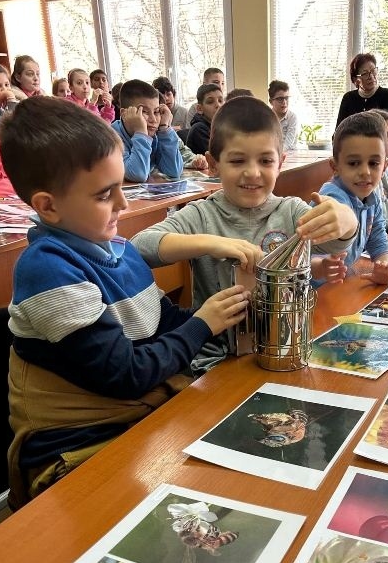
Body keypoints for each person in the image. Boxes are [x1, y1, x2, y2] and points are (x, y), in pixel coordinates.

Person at [0, 96, 250, 510]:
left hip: (140, 423)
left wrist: (232, 318)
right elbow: (125, 375)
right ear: (48, 206)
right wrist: (204, 323)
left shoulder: (118, 249)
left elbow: (164, 321)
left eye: (121, 186)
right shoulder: (46, 270)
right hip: (78, 450)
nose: (124, 204)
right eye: (104, 194)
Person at [131, 95, 358, 375]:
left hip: (287, 350)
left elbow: (340, 239)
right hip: (215, 361)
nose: (252, 173)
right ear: (214, 164)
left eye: (265, 160)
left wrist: (347, 220)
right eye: (237, 161)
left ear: (280, 162)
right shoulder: (202, 215)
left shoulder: (291, 211)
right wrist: (212, 243)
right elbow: (139, 247)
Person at [316, 111, 388, 285]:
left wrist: (384, 266)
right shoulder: (332, 198)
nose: (365, 172)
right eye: (353, 163)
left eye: (374, 163)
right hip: (316, 293)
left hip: (342, 286)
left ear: (384, 167)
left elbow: (378, 239)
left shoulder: (372, 196)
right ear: (334, 166)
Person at [112, 78, 183, 181]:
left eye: (156, 111)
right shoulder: (112, 137)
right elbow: (137, 174)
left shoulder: (155, 134)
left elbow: (174, 171)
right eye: (144, 111)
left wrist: (164, 129)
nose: (153, 119)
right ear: (124, 114)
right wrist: (141, 133)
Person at [335, 53, 388, 130]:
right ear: (355, 80)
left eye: (373, 70)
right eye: (365, 73)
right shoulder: (348, 98)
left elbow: (387, 128)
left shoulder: (387, 95)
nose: (371, 76)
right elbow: (339, 129)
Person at [186, 83, 224, 155]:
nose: (218, 105)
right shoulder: (198, 129)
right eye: (210, 102)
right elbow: (218, 157)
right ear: (200, 109)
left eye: (220, 100)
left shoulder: (221, 126)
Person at [268, 80, 298, 152]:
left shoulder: (292, 117)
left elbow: (288, 143)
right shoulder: (266, 117)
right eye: (280, 99)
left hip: (290, 155)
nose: (284, 102)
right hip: (271, 154)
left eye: (286, 98)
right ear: (271, 101)